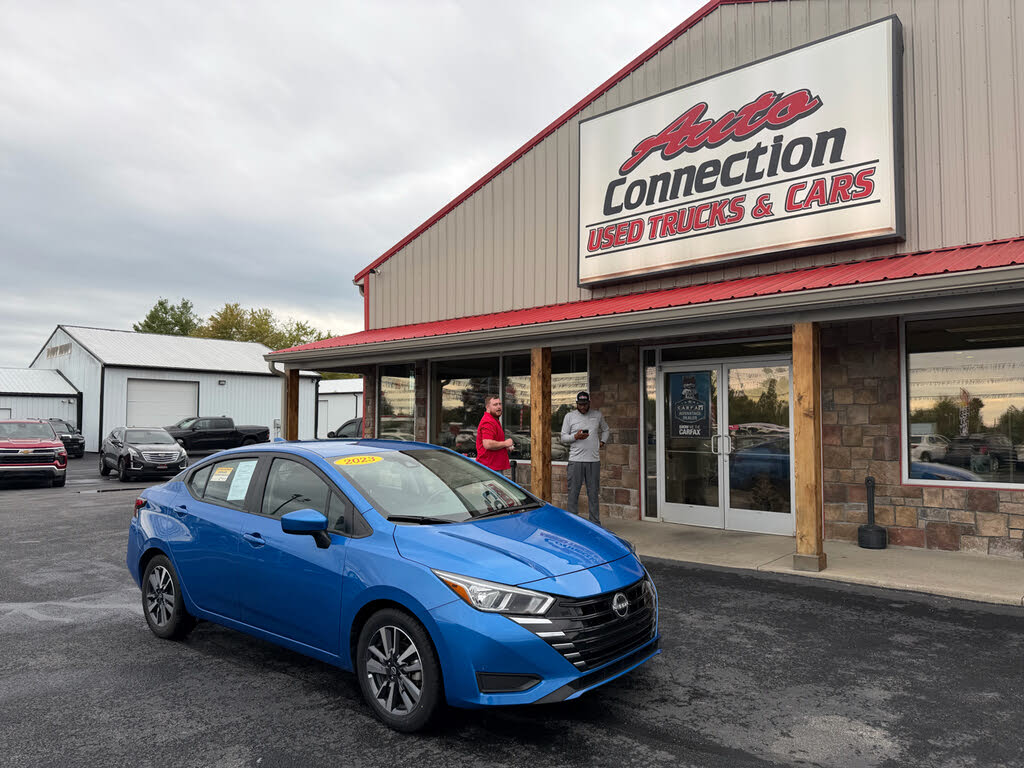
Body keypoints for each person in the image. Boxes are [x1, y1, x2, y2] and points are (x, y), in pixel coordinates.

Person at [560, 391, 610, 525]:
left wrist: (603, 442)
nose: (583, 407)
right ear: (576, 404)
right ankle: (572, 523)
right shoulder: (569, 416)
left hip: (593, 461)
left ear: (589, 403)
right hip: (575, 461)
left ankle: (595, 523)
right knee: (573, 493)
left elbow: (606, 429)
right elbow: (563, 437)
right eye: (580, 404)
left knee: (593, 494)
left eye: (585, 404)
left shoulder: (597, 415)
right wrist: (575, 437)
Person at [476, 395, 513, 475]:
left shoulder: (494, 420)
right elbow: (487, 444)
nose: (499, 407)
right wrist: (505, 443)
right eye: (495, 405)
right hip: (489, 468)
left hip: (493, 467)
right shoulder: (488, 422)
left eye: (500, 404)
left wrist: (504, 447)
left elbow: (492, 442)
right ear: (487, 407)